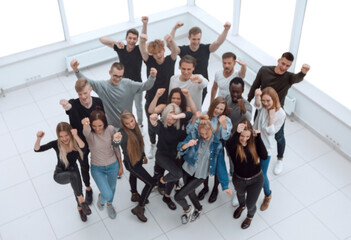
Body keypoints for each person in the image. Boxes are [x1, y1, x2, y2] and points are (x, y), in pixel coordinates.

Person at [247, 52, 310, 175]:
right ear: (278, 60)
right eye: (283, 63)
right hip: (261, 109)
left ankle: (280, 159)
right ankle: (253, 153)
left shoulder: (289, 77)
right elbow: (255, 86)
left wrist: (303, 72)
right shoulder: (264, 70)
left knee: (278, 136)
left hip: (276, 112)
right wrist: (248, 102)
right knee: (256, 132)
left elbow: (297, 78)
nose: (284, 67)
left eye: (288, 66)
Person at [70, 59, 157, 130]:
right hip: (113, 127)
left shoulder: (128, 84)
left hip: (128, 124)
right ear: (109, 72)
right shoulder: (102, 86)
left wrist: (152, 77)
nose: (117, 79)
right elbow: (87, 81)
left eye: (120, 76)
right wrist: (76, 71)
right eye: (115, 76)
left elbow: (145, 86)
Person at [175, 117, 232, 224]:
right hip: (188, 169)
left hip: (201, 175)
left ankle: (188, 209)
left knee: (178, 196)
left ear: (211, 130)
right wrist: (187, 144)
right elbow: (180, 147)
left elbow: (221, 165)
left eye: (207, 133)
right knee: (190, 192)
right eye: (202, 133)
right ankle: (199, 209)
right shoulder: (194, 135)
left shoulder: (217, 144)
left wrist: (225, 185)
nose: (204, 136)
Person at [34, 122, 91, 222]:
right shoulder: (56, 144)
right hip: (60, 174)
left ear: (70, 134)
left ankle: (80, 208)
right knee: (75, 180)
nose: (64, 139)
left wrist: (76, 135)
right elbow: (37, 150)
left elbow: (84, 148)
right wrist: (39, 138)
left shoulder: (76, 142)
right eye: (61, 136)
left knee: (78, 190)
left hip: (74, 170)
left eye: (66, 135)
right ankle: (82, 201)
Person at [59, 78, 104, 205]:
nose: (83, 97)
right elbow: (69, 108)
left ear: (90, 90)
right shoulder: (73, 104)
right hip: (80, 142)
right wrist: (66, 105)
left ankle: (103, 185)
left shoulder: (98, 102)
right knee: (84, 165)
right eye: (80, 94)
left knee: (100, 163)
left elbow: (103, 121)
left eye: (85, 93)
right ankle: (88, 188)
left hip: (95, 140)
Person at [99, 16, 148, 127]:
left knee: (139, 105)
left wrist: (144, 24)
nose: (132, 41)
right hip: (122, 84)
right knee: (123, 105)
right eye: (130, 38)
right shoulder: (120, 47)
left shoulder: (139, 50)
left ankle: (139, 124)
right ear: (126, 38)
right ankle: (126, 123)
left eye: (134, 39)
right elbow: (101, 39)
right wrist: (116, 42)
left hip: (136, 84)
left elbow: (143, 38)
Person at [139, 23, 178, 159]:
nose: (157, 55)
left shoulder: (169, 60)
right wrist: (142, 40)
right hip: (152, 98)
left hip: (167, 99)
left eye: (159, 52)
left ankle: (166, 144)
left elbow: (175, 51)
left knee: (168, 123)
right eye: (154, 53)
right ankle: (153, 144)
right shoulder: (149, 60)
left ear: (163, 50)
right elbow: (142, 50)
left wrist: (171, 39)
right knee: (151, 124)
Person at [170, 21, 231, 101]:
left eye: (198, 39)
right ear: (189, 38)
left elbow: (218, 42)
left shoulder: (205, 48)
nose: (196, 42)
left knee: (197, 108)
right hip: (187, 84)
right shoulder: (183, 50)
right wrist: (175, 28)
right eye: (194, 39)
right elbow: (172, 46)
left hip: (201, 84)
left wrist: (226, 30)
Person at [112, 110, 156, 222]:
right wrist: (115, 140)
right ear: (123, 124)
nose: (131, 124)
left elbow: (140, 143)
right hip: (131, 164)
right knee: (150, 183)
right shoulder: (122, 134)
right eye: (127, 123)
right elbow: (116, 144)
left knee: (134, 176)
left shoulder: (135, 127)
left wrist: (144, 156)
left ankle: (134, 194)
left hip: (138, 158)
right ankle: (139, 208)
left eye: (132, 121)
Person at [187, 97, 232, 203]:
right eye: (216, 107)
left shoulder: (226, 120)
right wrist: (198, 118)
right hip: (203, 146)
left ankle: (215, 189)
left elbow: (225, 137)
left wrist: (224, 124)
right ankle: (205, 187)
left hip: (216, 147)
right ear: (212, 106)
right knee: (204, 168)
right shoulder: (204, 114)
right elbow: (191, 129)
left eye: (221, 109)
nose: (218, 111)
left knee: (218, 168)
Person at [149, 103, 193, 210]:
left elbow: (190, 114)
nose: (170, 120)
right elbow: (154, 126)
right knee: (177, 173)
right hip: (162, 155)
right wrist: (152, 120)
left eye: (173, 118)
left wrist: (176, 117)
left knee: (174, 175)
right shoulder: (161, 124)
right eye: (168, 117)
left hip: (175, 154)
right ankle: (162, 180)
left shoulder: (179, 122)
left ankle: (167, 197)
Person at [226, 120, 268, 229]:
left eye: (247, 136)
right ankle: (241, 206)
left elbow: (264, 155)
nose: (244, 139)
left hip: (256, 179)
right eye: (242, 136)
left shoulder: (254, 143)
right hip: (239, 179)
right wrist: (236, 133)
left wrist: (258, 137)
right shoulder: (233, 145)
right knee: (240, 195)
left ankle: (250, 216)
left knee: (251, 204)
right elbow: (229, 147)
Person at [81, 110, 122, 219]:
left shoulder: (111, 129)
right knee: (107, 194)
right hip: (97, 168)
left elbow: (116, 147)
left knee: (112, 189)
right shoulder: (89, 133)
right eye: (94, 126)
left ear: (104, 123)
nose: (97, 128)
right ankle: (102, 199)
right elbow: (86, 130)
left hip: (113, 164)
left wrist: (120, 165)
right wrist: (85, 124)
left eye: (100, 125)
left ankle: (109, 205)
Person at [253, 87, 286, 211]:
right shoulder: (262, 105)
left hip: (265, 146)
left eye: (268, 101)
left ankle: (268, 195)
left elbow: (271, 132)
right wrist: (257, 96)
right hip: (253, 141)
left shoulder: (281, 114)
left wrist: (271, 118)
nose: (265, 104)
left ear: (274, 99)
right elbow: (256, 105)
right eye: (264, 101)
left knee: (262, 174)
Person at [226, 77, 252, 206]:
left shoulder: (246, 105)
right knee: (231, 162)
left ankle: (239, 192)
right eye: (233, 91)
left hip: (240, 142)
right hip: (228, 140)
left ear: (243, 90)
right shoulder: (226, 99)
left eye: (238, 92)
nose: (235, 95)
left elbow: (249, 119)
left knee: (238, 167)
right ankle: (232, 175)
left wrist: (243, 109)